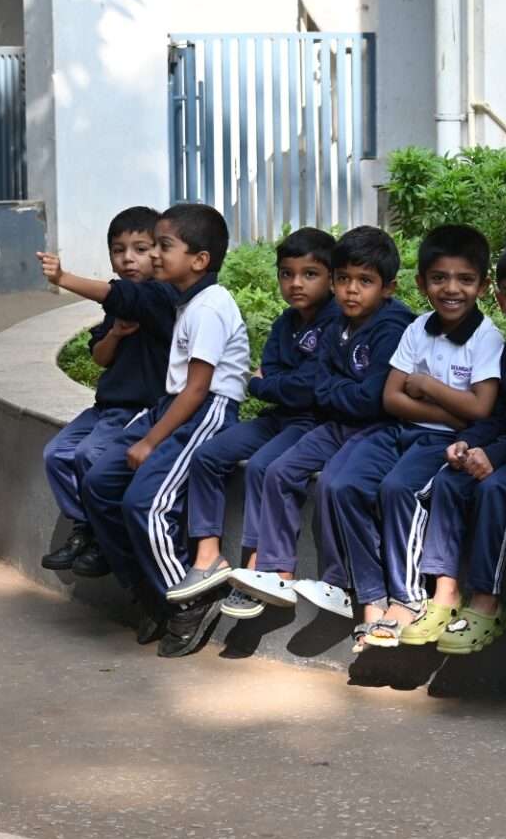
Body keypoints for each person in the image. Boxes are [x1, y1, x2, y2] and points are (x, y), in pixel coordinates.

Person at [42, 203, 251, 658]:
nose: (153, 255)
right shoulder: (184, 300)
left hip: (204, 411)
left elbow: (198, 389)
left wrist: (151, 440)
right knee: (99, 482)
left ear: (199, 259)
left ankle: (188, 598)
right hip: (169, 407)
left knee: (145, 504)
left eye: (162, 246)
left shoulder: (210, 307)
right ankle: (147, 590)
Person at [320, 224, 504, 649]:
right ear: (421, 283)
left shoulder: (486, 337)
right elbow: (391, 398)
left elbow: (479, 409)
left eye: (465, 279)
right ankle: (371, 597)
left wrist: (425, 386)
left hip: (441, 443)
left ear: (482, 285)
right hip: (399, 430)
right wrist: (450, 407)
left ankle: (407, 599)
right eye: (439, 278)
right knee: (342, 484)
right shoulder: (417, 328)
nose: (451, 289)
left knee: (398, 489)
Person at [225, 227, 413, 619]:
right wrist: (340, 391)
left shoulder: (393, 327)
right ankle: (277, 572)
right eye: (344, 279)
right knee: (279, 471)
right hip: (336, 425)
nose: (351, 290)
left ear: (388, 288)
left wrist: (335, 391)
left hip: (377, 429)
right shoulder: (336, 325)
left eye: (365, 281)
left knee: (332, 485)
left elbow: (372, 398)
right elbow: (321, 388)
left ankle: (339, 582)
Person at [165, 228, 341, 604]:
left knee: (262, 466)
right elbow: (268, 378)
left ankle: (260, 567)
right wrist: (267, 383)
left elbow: (307, 387)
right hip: (278, 417)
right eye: (287, 274)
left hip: (313, 421)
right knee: (208, 456)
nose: (296, 283)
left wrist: (265, 383)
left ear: (331, 278)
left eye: (309, 274)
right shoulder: (285, 323)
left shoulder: (336, 323)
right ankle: (208, 556)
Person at [408, 239, 506, 653]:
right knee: (449, 480)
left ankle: (487, 602)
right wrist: (468, 442)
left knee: (496, 489)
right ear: (497, 295)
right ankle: (445, 592)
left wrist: (495, 454)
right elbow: (504, 415)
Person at [40, 206, 168, 576]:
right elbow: (100, 358)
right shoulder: (117, 307)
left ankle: (103, 538)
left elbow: (121, 296)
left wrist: (63, 277)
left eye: (140, 249)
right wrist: (115, 333)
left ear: (159, 252)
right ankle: (86, 527)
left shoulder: (158, 297)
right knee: (56, 454)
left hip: (139, 408)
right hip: (106, 407)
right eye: (118, 250)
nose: (128, 259)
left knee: (89, 454)